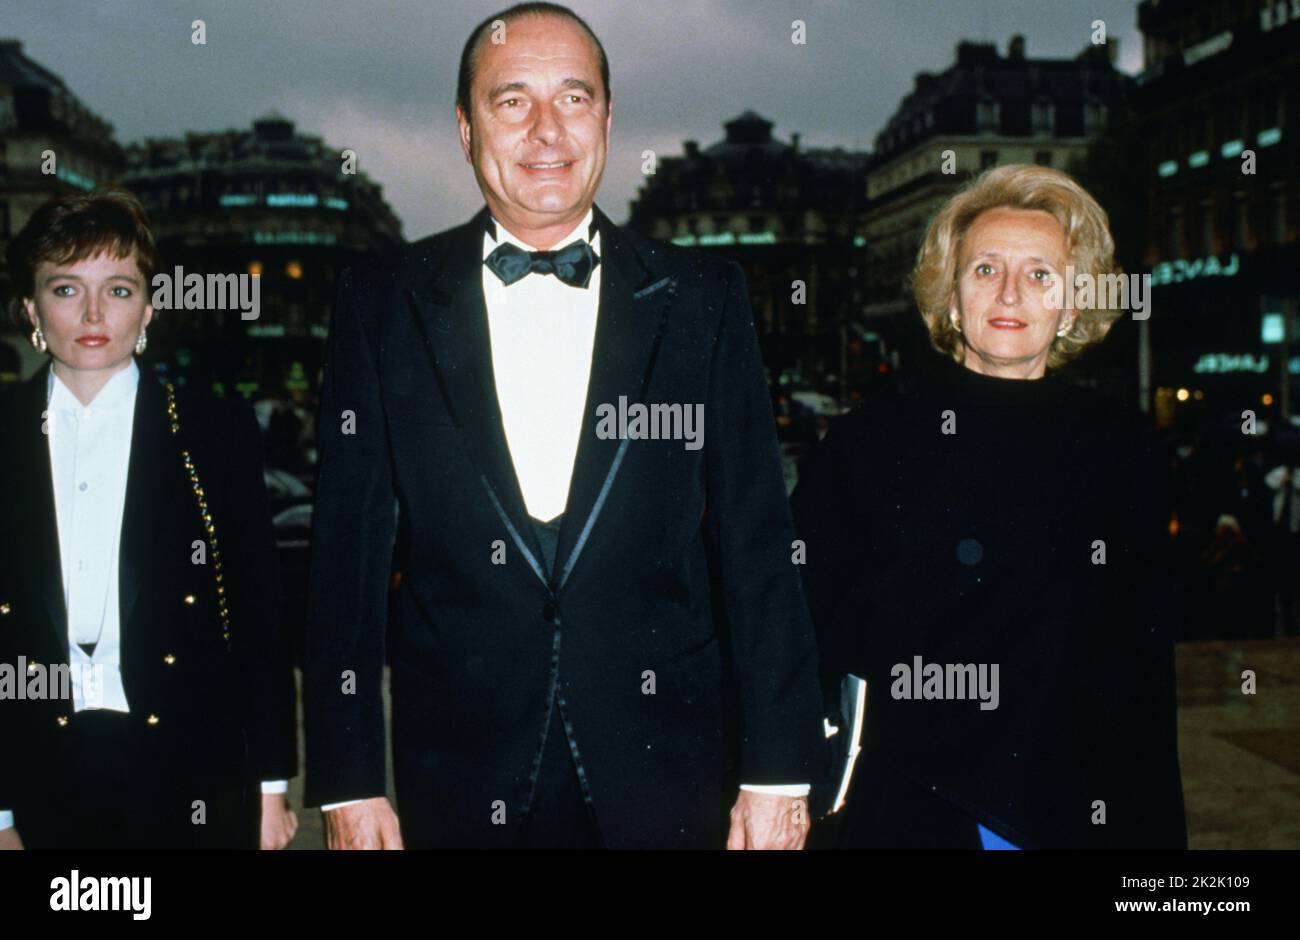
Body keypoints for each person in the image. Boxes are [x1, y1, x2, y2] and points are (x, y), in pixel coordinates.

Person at [303, 1, 824, 849]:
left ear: (609, 120)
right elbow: (345, 560)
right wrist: (348, 781)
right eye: (512, 101)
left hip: (668, 773)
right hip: (458, 778)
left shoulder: (704, 299)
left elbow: (757, 545)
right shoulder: (379, 302)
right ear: (467, 129)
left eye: (574, 98)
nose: (548, 130)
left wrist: (776, 771)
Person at [793, 164, 1187, 849]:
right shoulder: (869, 442)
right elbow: (800, 628)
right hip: (910, 808)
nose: (1010, 292)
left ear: (1071, 304)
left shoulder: (1120, 449)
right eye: (985, 270)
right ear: (950, 296)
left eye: (1040, 274)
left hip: (1072, 810)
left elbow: (1142, 679)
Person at [0, 190, 298, 850]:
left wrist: (271, 784)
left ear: (151, 307)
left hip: (190, 764)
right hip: (36, 768)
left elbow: (258, 611)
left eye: (120, 289)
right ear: (31, 310)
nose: (95, 313)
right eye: (67, 288)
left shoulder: (212, 431)